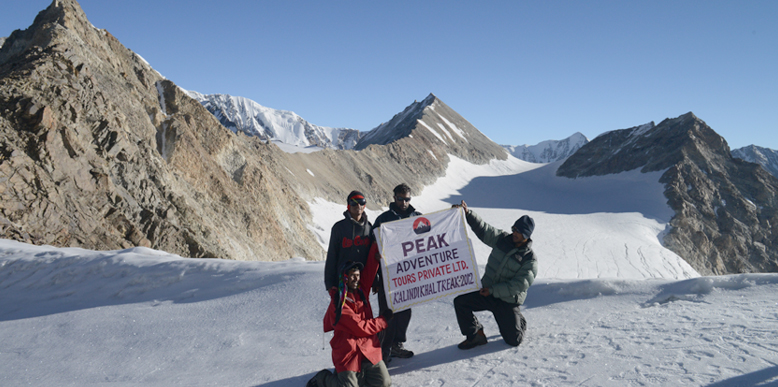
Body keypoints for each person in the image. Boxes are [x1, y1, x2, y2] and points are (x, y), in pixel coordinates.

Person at [451, 200, 538, 349]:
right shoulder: (502, 240)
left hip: (506, 300)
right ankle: (475, 335)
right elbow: (485, 230)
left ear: (526, 235)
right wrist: (468, 214)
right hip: (487, 293)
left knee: (513, 340)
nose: (515, 233)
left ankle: (519, 320)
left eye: (519, 231)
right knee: (461, 302)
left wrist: (493, 290)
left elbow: (519, 285)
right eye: (514, 229)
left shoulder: (530, 259)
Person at [307, 257, 393, 387]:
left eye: (357, 275)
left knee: (384, 383)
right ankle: (323, 379)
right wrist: (383, 320)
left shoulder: (361, 292)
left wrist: (376, 247)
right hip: (348, 353)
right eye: (352, 275)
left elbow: (369, 271)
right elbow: (359, 327)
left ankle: (358, 378)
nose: (356, 279)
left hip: (368, 349)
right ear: (344, 277)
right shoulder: (338, 303)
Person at [372, 183, 420, 362]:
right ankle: (382, 349)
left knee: (405, 310)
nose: (404, 203)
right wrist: (375, 277)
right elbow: (372, 246)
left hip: (409, 273)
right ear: (394, 198)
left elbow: (434, 231)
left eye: (407, 199)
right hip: (388, 275)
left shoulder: (417, 217)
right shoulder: (383, 219)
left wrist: (453, 213)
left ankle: (396, 345)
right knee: (387, 311)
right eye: (400, 199)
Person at [325, 191, 372, 291]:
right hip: (343, 281)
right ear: (348, 206)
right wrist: (330, 284)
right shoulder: (339, 228)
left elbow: (372, 256)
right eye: (354, 202)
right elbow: (332, 257)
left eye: (361, 202)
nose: (358, 205)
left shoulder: (369, 228)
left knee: (361, 306)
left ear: (364, 205)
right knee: (343, 307)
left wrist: (376, 279)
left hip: (363, 281)